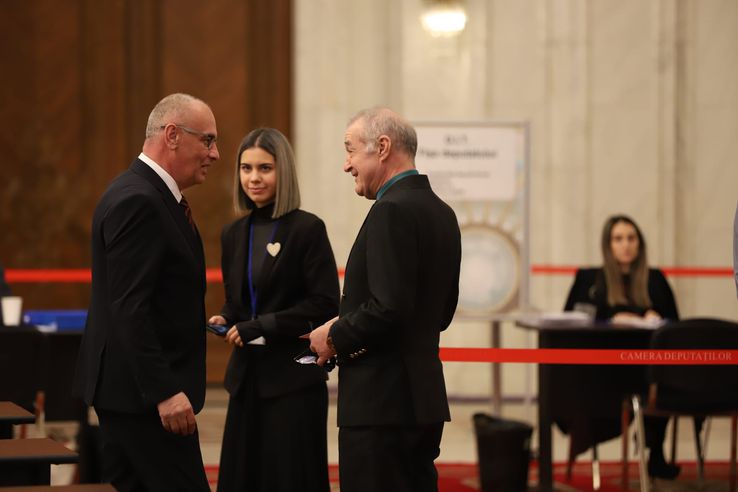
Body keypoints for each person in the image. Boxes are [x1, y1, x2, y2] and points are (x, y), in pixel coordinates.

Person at [309, 107, 462, 492]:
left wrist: (334, 336)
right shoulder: (442, 212)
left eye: (350, 150)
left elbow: (389, 307)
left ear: (382, 147)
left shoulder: (390, 210)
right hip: (422, 400)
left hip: (381, 405)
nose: (346, 165)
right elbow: (441, 314)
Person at [73, 93, 219, 491]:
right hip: (145, 400)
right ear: (172, 135)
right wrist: (165, 392)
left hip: (134, 395)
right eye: (207, 140)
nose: (215, 153)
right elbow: (129, 309)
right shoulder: (139, 199)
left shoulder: (146, 193)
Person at [210, 128, 339, 492]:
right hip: (246, 381)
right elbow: (240, 300)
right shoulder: (234, 233)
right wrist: (226, 317)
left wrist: (263, 325)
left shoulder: (307, 229)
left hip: (292, 383)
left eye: (265, 168)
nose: (254, 178)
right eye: (246, 168)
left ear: (283, 172)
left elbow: (326, 304)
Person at [564, 214, 680, 479]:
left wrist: (652, 317)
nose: (626, 245)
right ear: (608, 244)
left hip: (649, 371)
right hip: (603, 373)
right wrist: (611, 318)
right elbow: (573, 318)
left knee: (660, 381)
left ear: (639, 243)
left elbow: (675, 325)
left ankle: (655, 453)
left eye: (631, 238)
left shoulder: (655, 280)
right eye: (618, 239)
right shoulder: (591, 281)